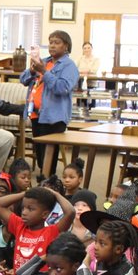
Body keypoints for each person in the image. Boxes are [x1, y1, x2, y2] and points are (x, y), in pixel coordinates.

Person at [21, 30, 79, 171]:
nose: (52, 46)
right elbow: (23, 79)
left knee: (49, 158)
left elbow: (62, 87)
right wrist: (33, 70)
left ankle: (48, 185)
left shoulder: (69, 66)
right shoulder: (44, 62)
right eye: (50, 42)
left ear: (66, 46)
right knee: (41, 155)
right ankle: (44, 182)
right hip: (36, 115)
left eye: (57, 43)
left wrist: (45, 73)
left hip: (54, 117)